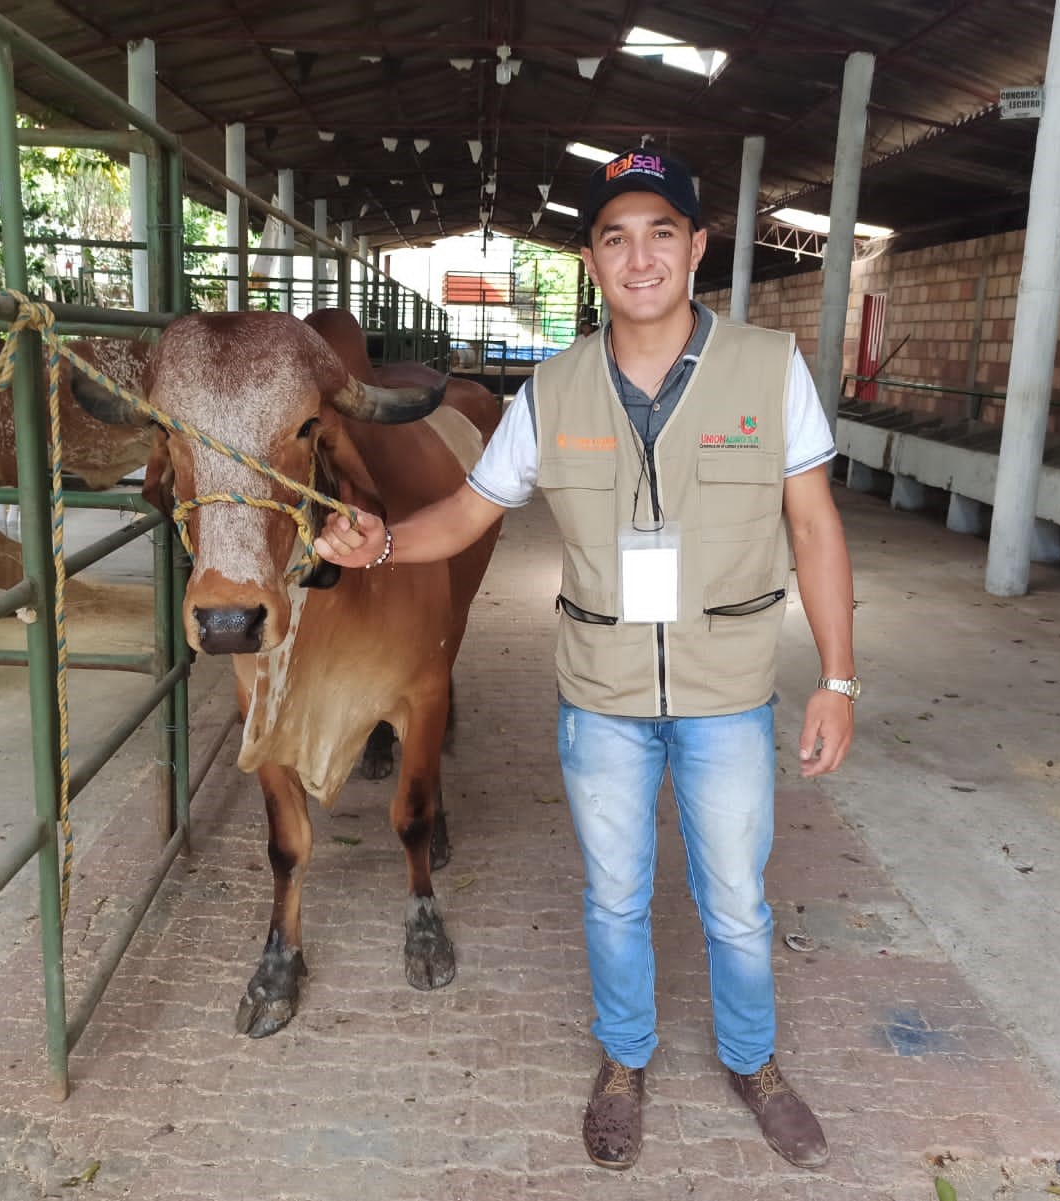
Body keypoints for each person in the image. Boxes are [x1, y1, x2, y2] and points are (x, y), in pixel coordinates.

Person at [314, 147, 857, 1172]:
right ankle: (623, 1058)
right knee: (615, 896)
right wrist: (380, 544)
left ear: (696, 247)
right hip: (602, 696)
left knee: (736, 902)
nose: (640, 257)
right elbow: (468, 512)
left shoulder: (769, 368)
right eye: (616, 238)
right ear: (592, 261)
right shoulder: (552, 391)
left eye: (661, 233)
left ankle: (754, 1061)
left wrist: (836, 677)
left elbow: (816, 526)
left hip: (728, 693)